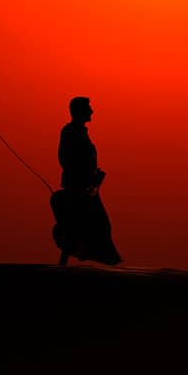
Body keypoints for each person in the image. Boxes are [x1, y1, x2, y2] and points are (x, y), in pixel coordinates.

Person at [51, 96, 122, 266]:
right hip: (79, 187)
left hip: (88, 185)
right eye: (88, 108)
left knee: (90, 225)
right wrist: (83, 177)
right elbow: (66, 158)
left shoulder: (80, 132)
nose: (91, 111)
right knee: (86, 225)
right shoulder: (70, 132)